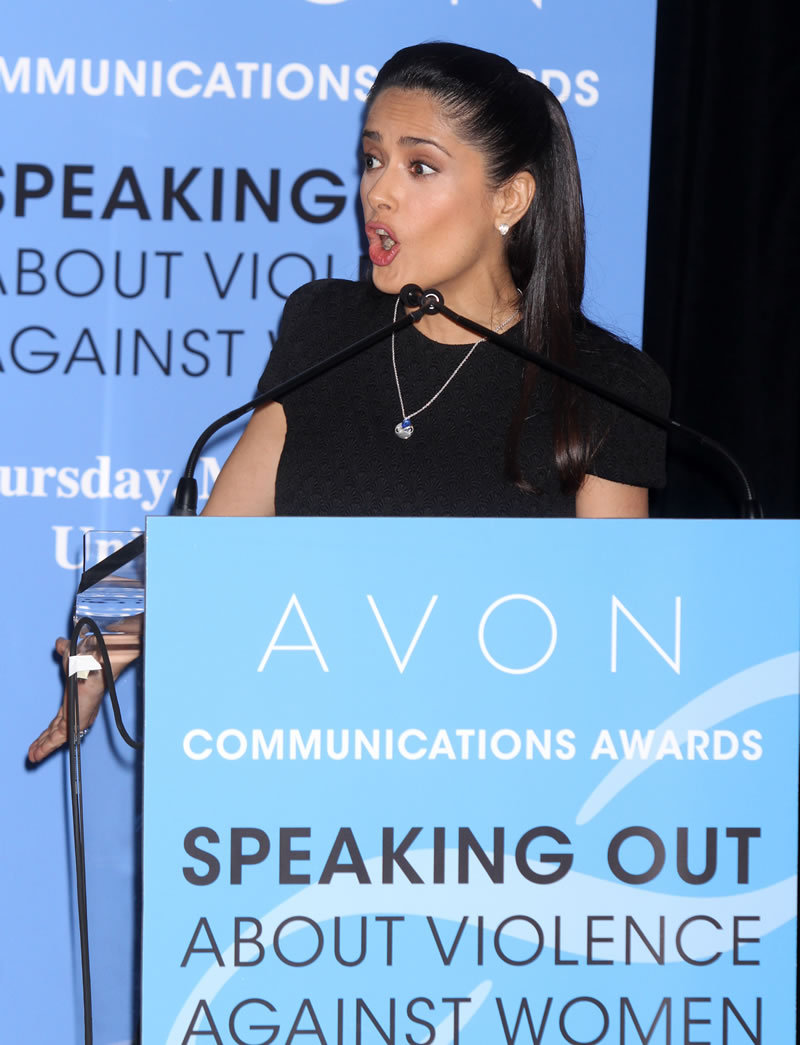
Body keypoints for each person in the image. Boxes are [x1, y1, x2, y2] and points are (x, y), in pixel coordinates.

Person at [27, 42, 668, 763]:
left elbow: (615, 647)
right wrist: (111, 645)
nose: (377, 193)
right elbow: (216, 551)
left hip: (497, 785)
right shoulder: (324, 326)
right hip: (299, 769)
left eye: (419, 167)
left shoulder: (603, 383)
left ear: (510, 199)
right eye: (372, 160)